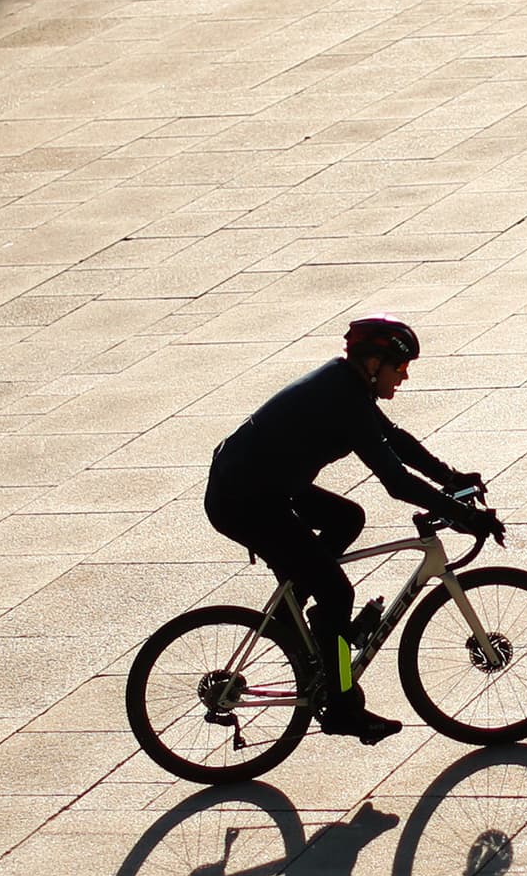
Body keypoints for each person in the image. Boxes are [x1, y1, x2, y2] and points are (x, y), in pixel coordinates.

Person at [204, 316, 498, 744]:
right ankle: (341, 707)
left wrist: (450, 479)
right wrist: (462, 514)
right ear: (374, 363)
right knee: (338, 593)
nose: (405, 375)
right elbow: (395, 482)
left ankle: (304, 617)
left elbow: (395, 440)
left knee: (347, 519)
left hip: (263, 484)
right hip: (244, 500)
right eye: (400, 367)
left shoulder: (347, 387)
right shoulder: (342, 397)